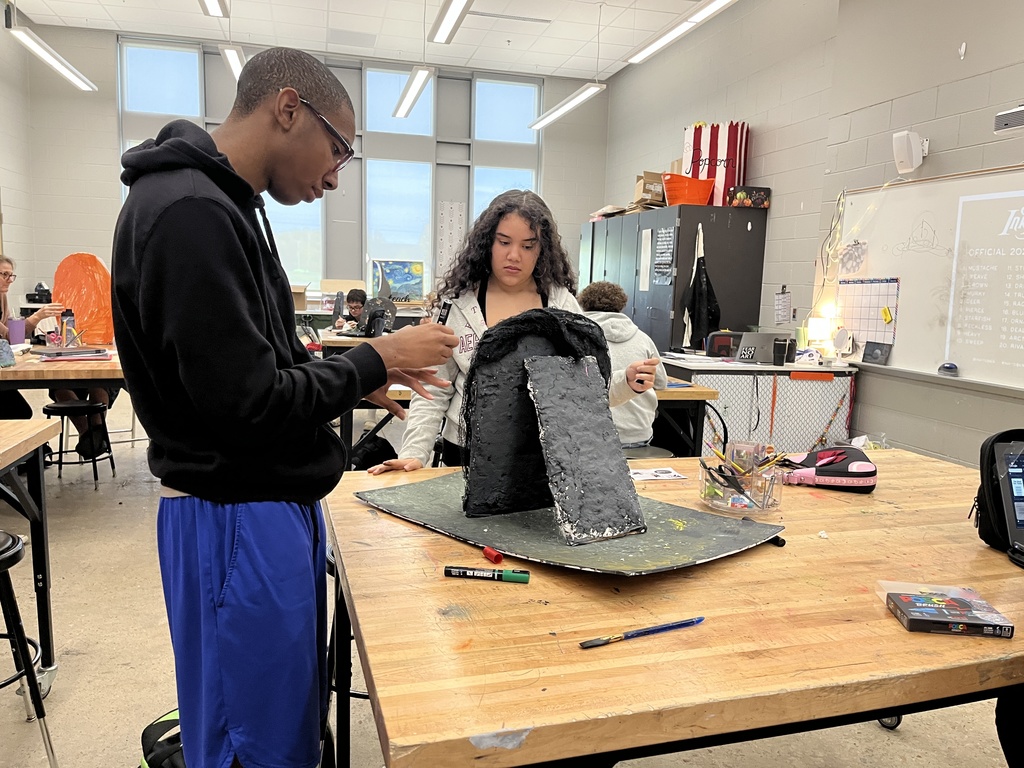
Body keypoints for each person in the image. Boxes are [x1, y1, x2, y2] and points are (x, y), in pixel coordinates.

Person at [110, 47, 457, 768]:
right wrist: (376, 357)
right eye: (339, 149)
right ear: (288, 108)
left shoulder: (225, 204)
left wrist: (343, 373)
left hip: (258, 509)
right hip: (233, 517)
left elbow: (254, 362)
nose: (336, 174)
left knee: (284, 733)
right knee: (254, 745)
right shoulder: (189, 214)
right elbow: (247, 404)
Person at [368, 190, 650, 475]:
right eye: (504, 242)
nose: (514, 255)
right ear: (488, 242)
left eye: (528, 246)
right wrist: (414, 453)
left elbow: (582, 390)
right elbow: (433, 389)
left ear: (543, 250)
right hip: (465, 455)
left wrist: (626, 383)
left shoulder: (561, 304)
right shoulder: (456, 305)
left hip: (541, 456)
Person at [578, 281, 666, 448]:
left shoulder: (577, 337)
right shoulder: (642, 338)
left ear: (583, 303)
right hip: (638, 433)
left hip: (591, 437)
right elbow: (660, 382)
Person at [0, 255, 63, 419]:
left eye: (11, 275)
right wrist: (37, 317)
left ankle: (91, 436)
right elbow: (9, 336)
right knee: (20, 412)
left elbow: (12, 337)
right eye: (4, 275)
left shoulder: (2, 296)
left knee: (22, 411)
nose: (9, 280)